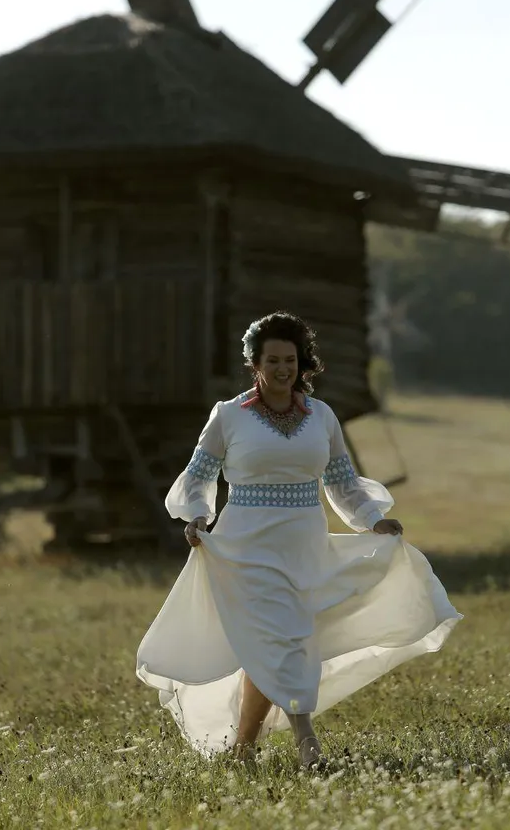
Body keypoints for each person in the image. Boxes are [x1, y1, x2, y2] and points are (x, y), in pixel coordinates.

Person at [136, 312, 462, 770]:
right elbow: (197, 478)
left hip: (303, 545)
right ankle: (307, 742)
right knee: (282, 637)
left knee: (275, 643)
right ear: (255, 364)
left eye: (289, 360)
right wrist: (197, 517)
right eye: (272, 360)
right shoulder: (229, 416)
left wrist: (373, 520)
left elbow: (342, 483)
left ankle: (243, 749)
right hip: (245, 547)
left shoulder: (321, 417)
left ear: (301, 362)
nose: (282, 369)